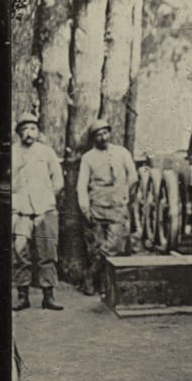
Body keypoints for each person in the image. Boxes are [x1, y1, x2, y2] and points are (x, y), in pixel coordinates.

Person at [75, 118, 135, 296]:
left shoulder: (122, 152)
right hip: (97, 206)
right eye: (98, 134)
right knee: (95, 247)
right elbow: (82, 185)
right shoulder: (88, 158)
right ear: (93, 138)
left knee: (114, 245)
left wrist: (125, 192)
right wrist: (84, 207)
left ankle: (89, 275)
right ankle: (101, 283)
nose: (103, 137)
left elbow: (133, 175)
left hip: (118, 205)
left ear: (110, 133)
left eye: (105, 133)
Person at [11, 111, 64, 311]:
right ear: (18, 133)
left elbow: (58, 180)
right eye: (24, 129)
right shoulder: (13, 153)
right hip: (20, 211)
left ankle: (48, 296)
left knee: (48, 253)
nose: (29, 133)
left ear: (38, 131)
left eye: (32, 128)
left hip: (45, 211)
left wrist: (47, 198)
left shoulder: (46, 152)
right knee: (20, 253)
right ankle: (22, 296)